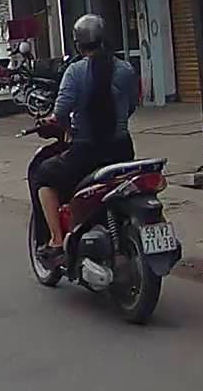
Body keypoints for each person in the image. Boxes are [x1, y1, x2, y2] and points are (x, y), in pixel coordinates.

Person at [28, 14, 138, 264]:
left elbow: (60, 114)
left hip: (86, 153)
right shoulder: (126, 70)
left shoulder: (75, 72)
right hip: (122, 150)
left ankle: (56, 241)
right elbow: (131, 105)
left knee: (43, 175)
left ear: (78, 44)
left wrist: (57, 125)